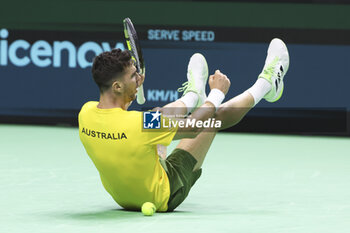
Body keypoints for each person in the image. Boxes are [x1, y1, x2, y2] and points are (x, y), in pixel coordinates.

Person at [78, 38, 289, 212]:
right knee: (210, 120)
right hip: (165, 193)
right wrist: (216, 93)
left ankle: (192, 95)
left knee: (156, 118)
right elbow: (192, 126)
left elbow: (126, 123)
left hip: (123, 197)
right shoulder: (140, 125)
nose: (139, 78)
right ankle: (268, 84)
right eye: (134, 76)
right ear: (116, 86)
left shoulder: (86, 113)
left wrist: (129, 91)